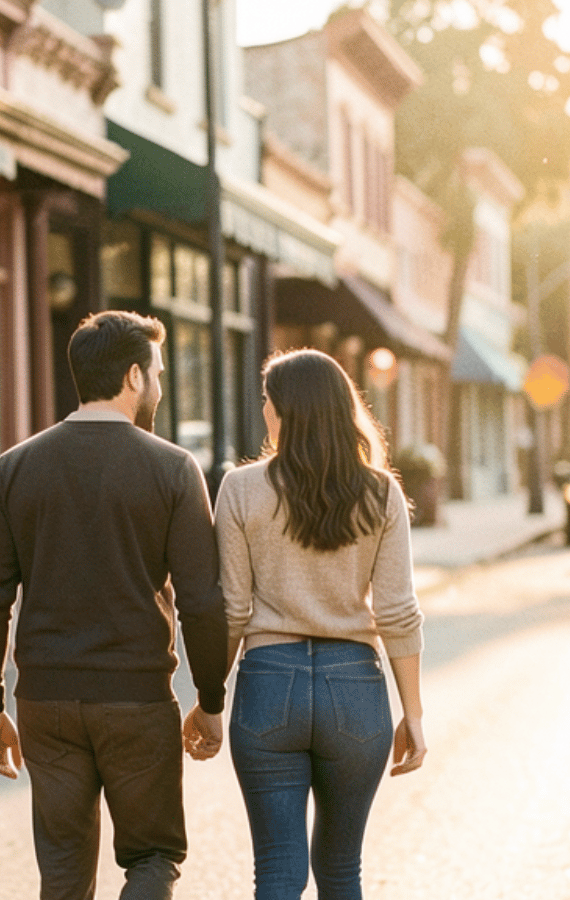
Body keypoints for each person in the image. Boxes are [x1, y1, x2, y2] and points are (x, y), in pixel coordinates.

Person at [0, 309, 228, 900]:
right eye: (156, 373)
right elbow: (203, 602)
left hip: (46, 702)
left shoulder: (15, 468)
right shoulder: (173, 469)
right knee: (153, 857)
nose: (159, 385)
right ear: (134, 377)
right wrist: (211, 699)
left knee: (61, 871)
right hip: (136, 700)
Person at [210, 348, 426, 900]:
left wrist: (209, 700)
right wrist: (413, 714)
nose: (263, 410)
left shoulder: (241, 489)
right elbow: (397, 610)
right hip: (354, 687)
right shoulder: (381, 492)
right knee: (340, 869)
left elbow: (232, 609)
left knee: (279, 870)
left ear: (286, 410)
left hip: (267, 683)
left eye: (266, 400)